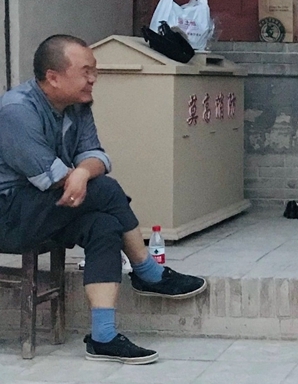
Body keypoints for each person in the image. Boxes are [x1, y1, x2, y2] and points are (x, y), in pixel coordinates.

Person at [0, 35, 208, 365]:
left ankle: (103, 337)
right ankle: (147, 271)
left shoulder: (78, 106)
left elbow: (97, 156)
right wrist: (82, 175)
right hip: (9, 213)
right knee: (106, 190)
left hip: (47, 206)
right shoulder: (16, 112)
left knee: (104, 226)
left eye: (94, 70)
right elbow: (49, 177)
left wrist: (83, 173)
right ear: (54, 77)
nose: (93, 78)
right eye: (86, 71)